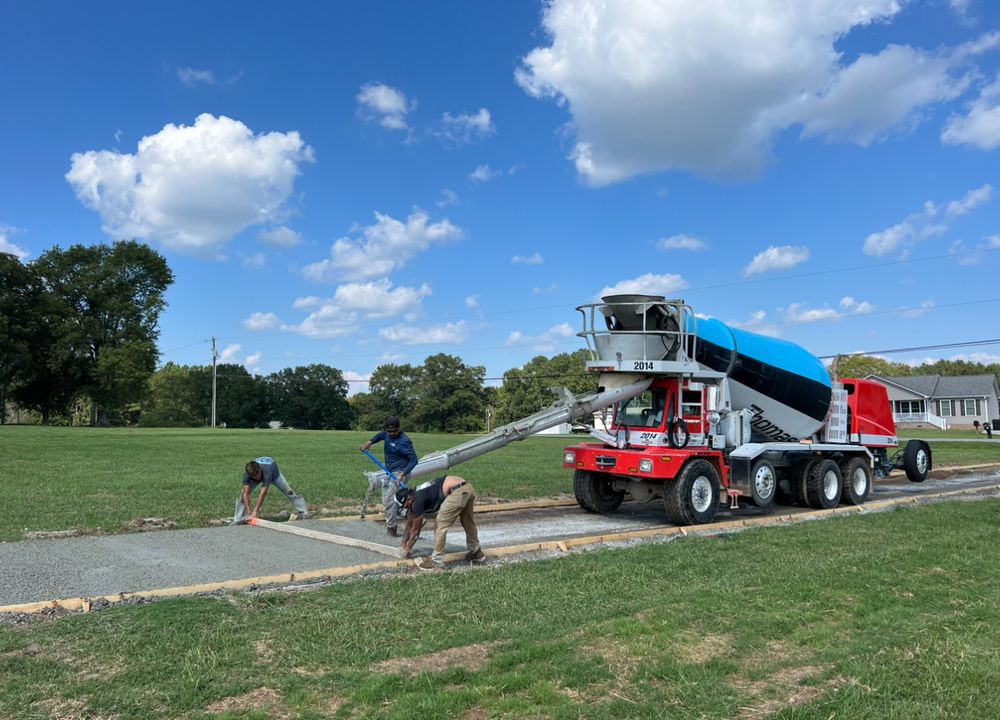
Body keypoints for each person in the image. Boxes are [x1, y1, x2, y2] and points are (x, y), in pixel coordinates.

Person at [397, 475, 485, 570]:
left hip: (456, 491)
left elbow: (415, 531)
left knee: (440, 523)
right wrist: (403, 544)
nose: (407, 508)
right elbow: (410, 523)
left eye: (406, 506)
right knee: (467, 521)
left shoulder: (417, 502)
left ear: (409, 499)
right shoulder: (416, 494)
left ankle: (437, 561)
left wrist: (408, 547)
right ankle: (476, 552)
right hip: (467, 488)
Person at [359, 416, 418, 536]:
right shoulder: (386, 434)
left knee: (390, 501)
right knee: (387, 501)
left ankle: (392, 529)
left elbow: (414, 460)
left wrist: (403, 473)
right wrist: (369, 442)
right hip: (389, 470)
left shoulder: (404, 441)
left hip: (400, 472)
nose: (391, 434)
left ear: (399, 428)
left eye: (394, 431)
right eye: (389, 431)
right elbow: (380, 436)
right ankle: (410, 513)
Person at [233, 457, 308, 524]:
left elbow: (263, 493)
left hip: (275, 476)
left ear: (260, 469)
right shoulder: (247, 475)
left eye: (257, 475)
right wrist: (249, 512)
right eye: (253, 476)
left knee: (289, 492)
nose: (257, 478)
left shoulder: (267, 472)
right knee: (242, 497)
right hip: (263, 473)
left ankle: (303, 512)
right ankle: (238, 519)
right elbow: (246, 494)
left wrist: (255, 511)